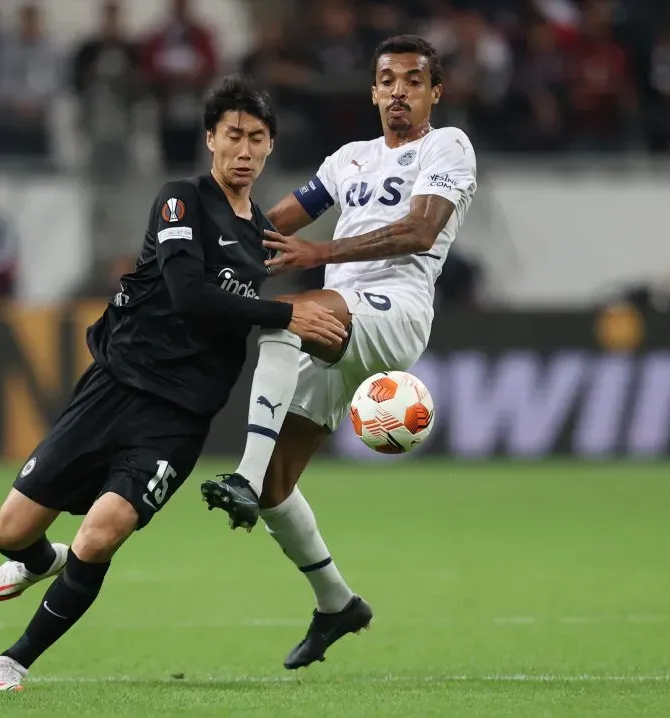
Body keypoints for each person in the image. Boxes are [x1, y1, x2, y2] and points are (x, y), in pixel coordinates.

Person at [0, 76, 347, 692]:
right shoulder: (181, 200)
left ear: (270, 148)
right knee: (9, 534)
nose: (245, 150)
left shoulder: (259, 238)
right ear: (211, 139)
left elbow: (244, 311)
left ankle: (13, 661)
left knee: (103, 532)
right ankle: (46, 561)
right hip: (113, 386)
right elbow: (188, 294)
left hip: (175, 420)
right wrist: (286, 313)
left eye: (257, 139)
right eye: (233, 135)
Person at [199, 35, 478, 669]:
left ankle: (238, 474)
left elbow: (421, 229)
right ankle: (337, 604)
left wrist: (321, 255)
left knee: (283, 318)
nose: (400, 91)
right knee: (277, 488)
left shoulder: (447, 146)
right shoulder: (347, 159)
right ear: (373, 90)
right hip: (338, 317)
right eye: (388, 80)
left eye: (414, 80)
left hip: (395, 309)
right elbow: (274, 225)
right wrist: (202, 249)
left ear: (435, 92)